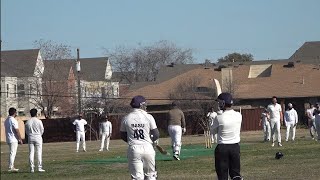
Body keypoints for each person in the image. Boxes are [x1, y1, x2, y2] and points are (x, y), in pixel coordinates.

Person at [120, 95, 159, 180]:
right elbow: (156, 134)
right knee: (151, 175)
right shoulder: (148, 117)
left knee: (137, 177)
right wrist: (151, 140)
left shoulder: (126, 118)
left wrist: (132, 140)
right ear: (141, 105)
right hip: (148, 147)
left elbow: (122, 135)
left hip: (134, 148)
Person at [211, 92, 243, 180]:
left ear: (223, 103)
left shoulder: (219, 117)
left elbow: (212, 130)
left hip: (222, 148)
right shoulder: (239, 115)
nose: (218, 104)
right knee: (236, 174)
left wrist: (218, 115)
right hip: (235, 147)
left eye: (219, 102)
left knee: (222, 175)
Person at [25, 108, 45, 173]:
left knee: (31, 152)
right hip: (38, 137)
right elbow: (42, 130)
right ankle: (39, 167)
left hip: (30, 137)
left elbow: (26, 131)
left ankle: (32, 168)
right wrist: (39, 134)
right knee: (39, 152)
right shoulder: (39, 121)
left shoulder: (28, 122)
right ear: (36, 113)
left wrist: (30, 135)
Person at [4, 107, 23, 172]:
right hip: (13, 139)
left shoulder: (6, 120)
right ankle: (11, 166)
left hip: (8, 138)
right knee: (13, 153)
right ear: (14, 113)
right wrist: (20, 139)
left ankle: (12, 166)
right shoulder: (13, 120)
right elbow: (17, 130)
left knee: (11, 152)